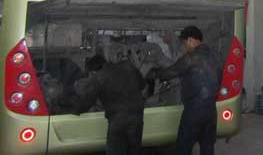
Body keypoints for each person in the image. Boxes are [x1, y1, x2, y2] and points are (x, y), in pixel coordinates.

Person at [147, 26, 223, 155]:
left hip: (193, 112)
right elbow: (219, 79)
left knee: (184, 147)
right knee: (207, 147)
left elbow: (169, 72)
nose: (184, 47)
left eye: (184, 43)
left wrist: (153, 73)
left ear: (190, 40)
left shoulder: (190, 58)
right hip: (211, 111)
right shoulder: (217, 57)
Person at [57, 54, 146, 155]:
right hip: (138, 118)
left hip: (118, 121)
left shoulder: (99, 77)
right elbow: (142, 85)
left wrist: (65, 106)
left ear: (93, 71)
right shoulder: (128, 66)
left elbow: (85, 103)